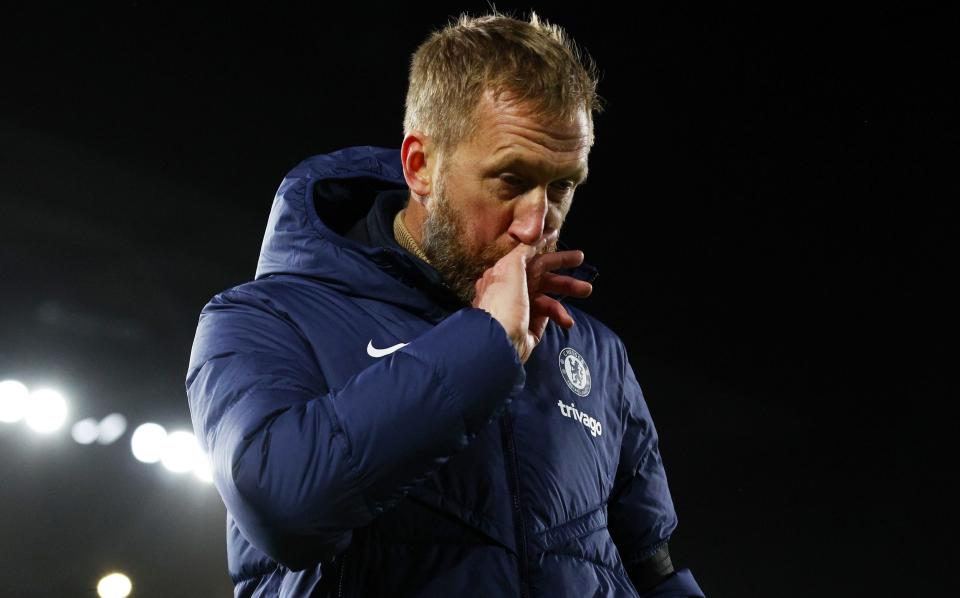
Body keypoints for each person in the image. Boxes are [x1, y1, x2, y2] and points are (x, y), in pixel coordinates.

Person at [186, 10, 705, 597]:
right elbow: (284, 506)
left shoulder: (596, 353)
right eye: (510, 180)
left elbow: (651, 569)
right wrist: (486, 342)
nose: (537, 225)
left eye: (562, 185)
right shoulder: (264, 318)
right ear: (420, 165)